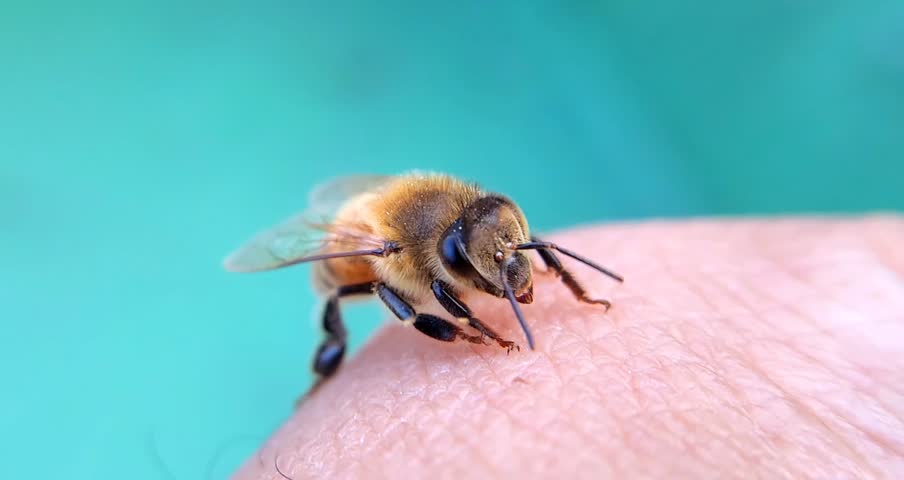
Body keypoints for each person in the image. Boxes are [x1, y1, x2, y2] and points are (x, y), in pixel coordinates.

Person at [233, 217, 904, 479]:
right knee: (364, 297)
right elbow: (408, 288)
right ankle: (334, 372)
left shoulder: (473, 229)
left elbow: (501, 245)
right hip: (365, 252)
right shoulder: (396, 250)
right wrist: (468, 328)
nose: (509, 266)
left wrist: (568, 287)